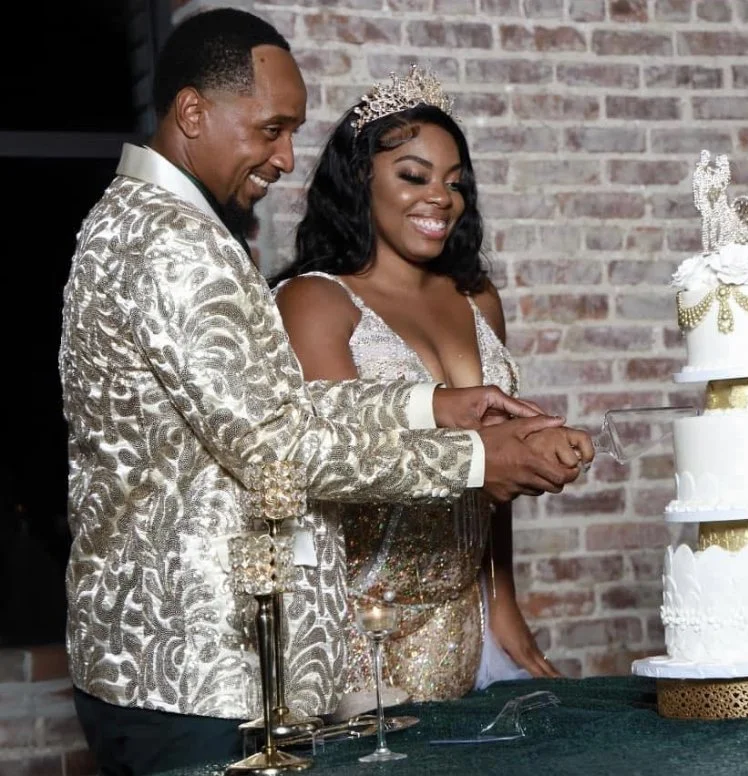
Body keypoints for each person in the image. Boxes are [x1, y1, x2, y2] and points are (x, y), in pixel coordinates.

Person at [58, 9, 589, 775]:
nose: (284, 157)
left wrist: (429, 405)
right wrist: (475, 459)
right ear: (193, 112)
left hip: (166, 669)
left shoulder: (152, 222)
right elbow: (276, 448)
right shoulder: (175, 245)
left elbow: (272, 407)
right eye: (271, 129)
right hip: (192, 675)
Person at [271, 69, 577, 711]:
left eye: (455, 182)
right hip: (359, 621)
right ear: (360, 179)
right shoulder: (315, 302)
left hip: (461, 610)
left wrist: (503, 603)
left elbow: (496, 480)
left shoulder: (477, 298)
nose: (440, 197)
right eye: (414, 176)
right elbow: (340, 463)